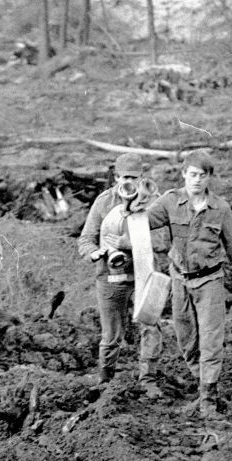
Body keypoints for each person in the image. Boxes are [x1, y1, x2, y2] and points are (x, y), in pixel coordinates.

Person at [145, 150, 232, 418]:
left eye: (202, 175)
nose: (196, 180)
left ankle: (208, 398)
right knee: (186, 337)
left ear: (209, 178)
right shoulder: (170, 202)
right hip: (180, 279)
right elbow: (143, 221)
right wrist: (132, 204)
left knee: (211, 339)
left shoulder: (221, 209)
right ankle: (202, 379)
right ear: (184, 175)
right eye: (192, 174)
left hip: (210, 281)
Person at [77, 153, 168, 398]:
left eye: (134, 178)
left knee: (150, 326)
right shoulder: (103, 202)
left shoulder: (153, 201)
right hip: (110, 275)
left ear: (143, 178)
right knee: (111, 334)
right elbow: (86, 238)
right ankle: (106, 379)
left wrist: (130, 243)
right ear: (116, 177)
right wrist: (94, 253)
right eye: (124, 177)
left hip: (144, 274)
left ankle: (148, 379)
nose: (129, 182)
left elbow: (163, 239)